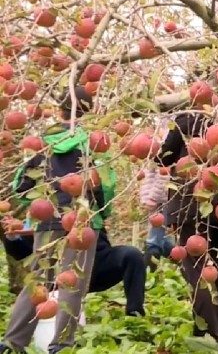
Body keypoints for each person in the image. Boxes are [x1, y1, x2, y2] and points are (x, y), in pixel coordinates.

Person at [1, 86, 113, 354]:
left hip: (48, 219)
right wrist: (101, 212)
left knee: (39, 282)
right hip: (82, 220)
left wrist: (42, 206)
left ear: (59, 108)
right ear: (89, 110)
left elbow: (21, 185)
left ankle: (11, 343)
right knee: (72, 283)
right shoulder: (94, 142)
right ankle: (61, 346)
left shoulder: (41, 143)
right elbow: (106, 185)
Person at [155, 111, 218, 342]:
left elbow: (162, 158)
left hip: (190, 203)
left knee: (197, 272)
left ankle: (208, 333)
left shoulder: (185, 121)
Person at [1, 221, 146, 317]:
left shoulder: (89, 205)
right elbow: (21, 252)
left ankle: (135, 311)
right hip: (61, 274)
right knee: (37, 292)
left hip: (98, 264)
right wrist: (13, 237)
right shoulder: (41, 214)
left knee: (132, 255)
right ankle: (16, 339)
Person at [140, 165, 172, 271]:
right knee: (159, 238)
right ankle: (179, 260)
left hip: (161, 199)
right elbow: (149, 176)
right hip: (156, 199)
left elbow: (164, 175)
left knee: (154, 240)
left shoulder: (163, 152)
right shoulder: (152, 154)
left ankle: (149, 272)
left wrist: (153, 197)